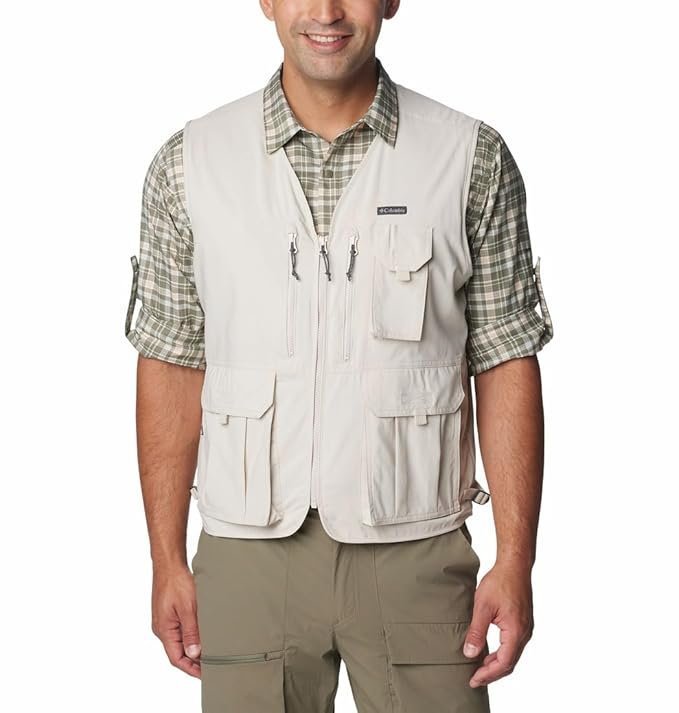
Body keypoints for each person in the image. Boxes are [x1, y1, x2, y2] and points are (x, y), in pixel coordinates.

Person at [125, 1, 553, 710]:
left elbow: (505, 360)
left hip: (418, 550)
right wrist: (165, 558)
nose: (326, 11)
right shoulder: (189, 165)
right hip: (248, 556)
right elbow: (171, 362)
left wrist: (516, 559)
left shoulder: (470, 158)